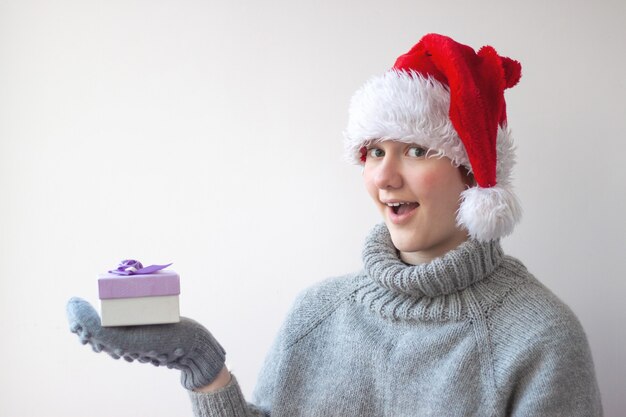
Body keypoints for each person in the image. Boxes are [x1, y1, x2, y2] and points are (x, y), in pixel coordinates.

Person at [67, 33, 603, 416]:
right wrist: (204, 368)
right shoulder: (317, 314)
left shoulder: (539, 341)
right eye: (373, 151)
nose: (385, 177)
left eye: (416, 150)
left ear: (475, 176)